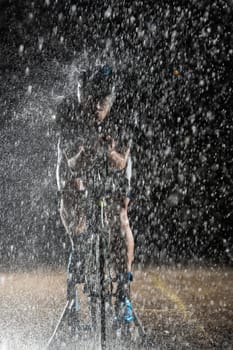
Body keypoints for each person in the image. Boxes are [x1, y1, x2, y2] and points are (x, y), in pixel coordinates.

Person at [56, 65, 134, 321]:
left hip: (110, 161)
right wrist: (88, 152)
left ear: (111, 100)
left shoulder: (123, 113)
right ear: (82, 97)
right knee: (72, 190)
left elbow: (121, 162)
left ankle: (123, 292)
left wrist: (108, 152)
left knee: (120, 212)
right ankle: (78, 247)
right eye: (92, 100)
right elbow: (72, 164)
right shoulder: (67, 112)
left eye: (104, 102)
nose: (97, 108)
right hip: (78, 160)